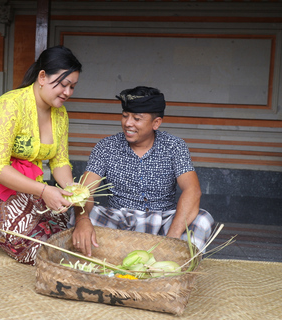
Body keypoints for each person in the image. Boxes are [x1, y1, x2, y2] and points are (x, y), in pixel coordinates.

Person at [0, 45, 82, 265]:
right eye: (63, 85)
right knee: (39, 250)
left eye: (72, 87)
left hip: (28, 184)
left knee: (62, 236)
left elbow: (60, 161)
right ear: (43, 77)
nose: (67, 93)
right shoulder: (11, 105)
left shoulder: (60, 113)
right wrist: (45, 190)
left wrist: (70, 189)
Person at [70, 86, 214, 256]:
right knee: (76, 215)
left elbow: (193, 191)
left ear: (156, 123)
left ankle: (170, 267)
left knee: (202, 219)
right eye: (125, 116)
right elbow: (84, 191)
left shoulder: (174, 146)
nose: (128, 123)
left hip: (163, 223)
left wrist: (170, 241)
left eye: (137, 118)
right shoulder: (106, 147)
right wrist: (82, 220)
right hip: (118, 223)